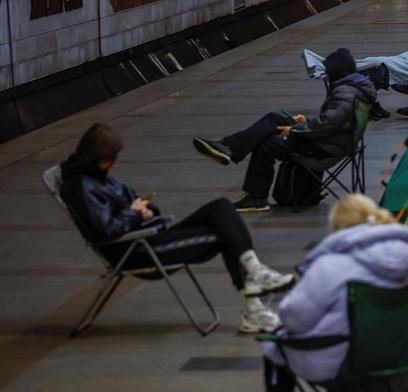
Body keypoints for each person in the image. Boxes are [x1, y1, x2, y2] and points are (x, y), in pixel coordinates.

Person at [60, 123, 294, 333]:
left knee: (221, 208)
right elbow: (106, 229)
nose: (113, 164)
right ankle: (254, 304)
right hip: (136, 250)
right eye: (111, 159)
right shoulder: (80, 186)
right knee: (226, 235)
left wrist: (146, 211)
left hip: (149, 235)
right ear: (98, 158)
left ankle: (255, 273)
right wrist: (135, 213)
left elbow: (132, 205)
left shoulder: (98, 176)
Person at [262, 194, 408, 392]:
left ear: (337, 228)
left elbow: (294, 318)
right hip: (399, 359)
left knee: (274, 344)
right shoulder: (407, 260)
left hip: (345, 364)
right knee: (345, 335)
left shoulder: (331, 266)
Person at [192, 48, 377, 211]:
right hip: (332, 141)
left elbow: (329, 123)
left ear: (337, 72)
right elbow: (335, 122)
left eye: (327, 72)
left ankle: (255, 197)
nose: (325, 76)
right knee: (274, 119)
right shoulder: (352, 87)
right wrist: (305, 122)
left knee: (267, 144)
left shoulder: (344, 92)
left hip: (324, 147)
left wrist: (296, 130)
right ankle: (228, 147)